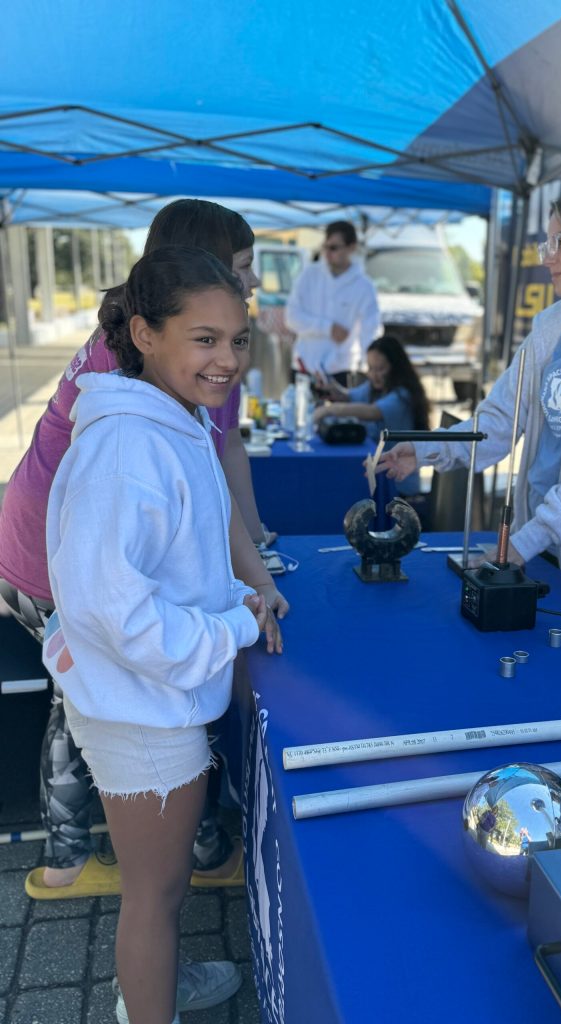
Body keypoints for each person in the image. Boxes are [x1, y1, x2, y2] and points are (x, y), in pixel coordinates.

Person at [0, 199, 286, 905]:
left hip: (57, 544)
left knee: (86, 696)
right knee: (87, 698)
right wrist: (247, 585)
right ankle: (118, 852)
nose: (250, 285)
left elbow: (221, 456)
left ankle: (150, 848)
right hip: (48, 557)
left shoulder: (178, 339)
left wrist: (257, 546)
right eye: (243, 268)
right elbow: (190, 481)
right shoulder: (152, 371)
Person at [42, 245, 266, 1024]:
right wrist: (231, 624)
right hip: (140, 712)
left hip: (147, 700)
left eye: (238, 340)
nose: (226, 359)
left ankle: (156, 979)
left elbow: (172, 562)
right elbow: (112, 607)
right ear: (143, 332)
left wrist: (234, 592)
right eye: (203, 339)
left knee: (160, 896)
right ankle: (150, 1004)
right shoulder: (127, 444)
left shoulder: (174, 420)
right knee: (155, 894)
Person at [378, 189, 561, 597]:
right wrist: (425, 449)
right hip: (536, 550)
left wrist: (524, 542)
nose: (547, 256)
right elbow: (500, 419)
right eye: (545, 242)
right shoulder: (551, 325)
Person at [312, 334, 430, 494]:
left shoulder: (402, 396)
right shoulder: (375, 387)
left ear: (396, 368)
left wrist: (329, 409)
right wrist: (333, 390)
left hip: (397, 486)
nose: (373, 374)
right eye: (370, 368)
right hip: (379, 476)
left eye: (380, 369)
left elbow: (372, 412)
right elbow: (350, 397)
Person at [285, 219, 381, 384]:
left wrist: (373, 367)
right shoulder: (309, 275)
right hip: (304, 367)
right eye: (325, 247)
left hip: (342, 370)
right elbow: (291, 318)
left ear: (352, 248)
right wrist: (328, 328)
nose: (327, 253)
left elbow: (370, 331)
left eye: (334, 248)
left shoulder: (364, 286)